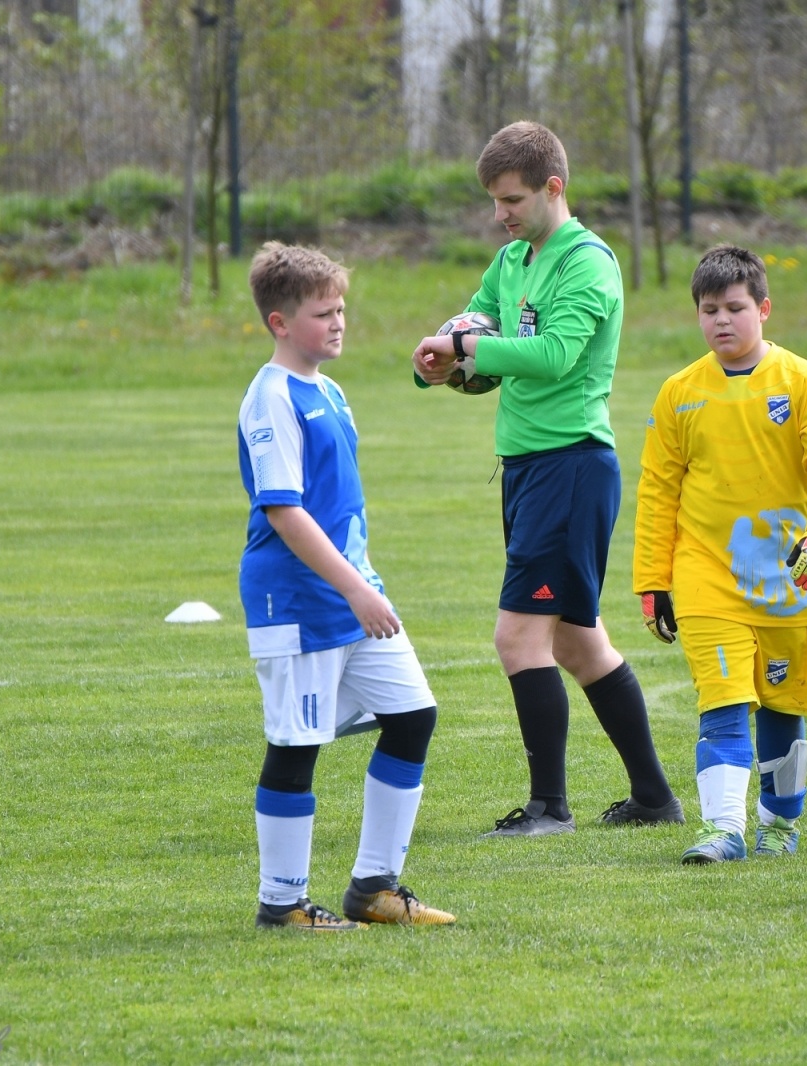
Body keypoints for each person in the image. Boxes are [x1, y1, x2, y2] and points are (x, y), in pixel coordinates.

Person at [412, 121, 681, 836]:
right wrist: (441, 362)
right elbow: (483, 330)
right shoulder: (512, 261)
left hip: (572, 468)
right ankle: (654, 798)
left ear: (553, 187)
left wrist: (471, 345)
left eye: (513, 199)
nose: (502, 213)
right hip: (528, 468)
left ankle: (548, 807)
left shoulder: (588, 262)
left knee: (518, 639)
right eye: (496, 201)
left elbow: (557, 354)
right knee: (575, 643)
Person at [241, 242, 454, 930]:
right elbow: (286, 512)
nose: (338, 323)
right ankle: (283, 905)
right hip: (299, 600)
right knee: (296, 745)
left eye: (341, 310)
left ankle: (374, 889)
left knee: (413, 716)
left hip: (354, 592)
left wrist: (364, 583)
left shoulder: (329, 390)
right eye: (321, 313)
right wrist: (356, 589)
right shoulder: (270, 397)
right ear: (279, 322)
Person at [633, 246, 807, 864]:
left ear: (763, 308)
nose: (721, 321)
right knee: (724, 699)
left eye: (735, 308)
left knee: (783, 710)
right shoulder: (679, 393)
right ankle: (723, 828)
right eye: (709, 310)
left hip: (790, 575)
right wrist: (653, 580)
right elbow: (657, 491)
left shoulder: (803, 381)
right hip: (707, 573)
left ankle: (779, 825)